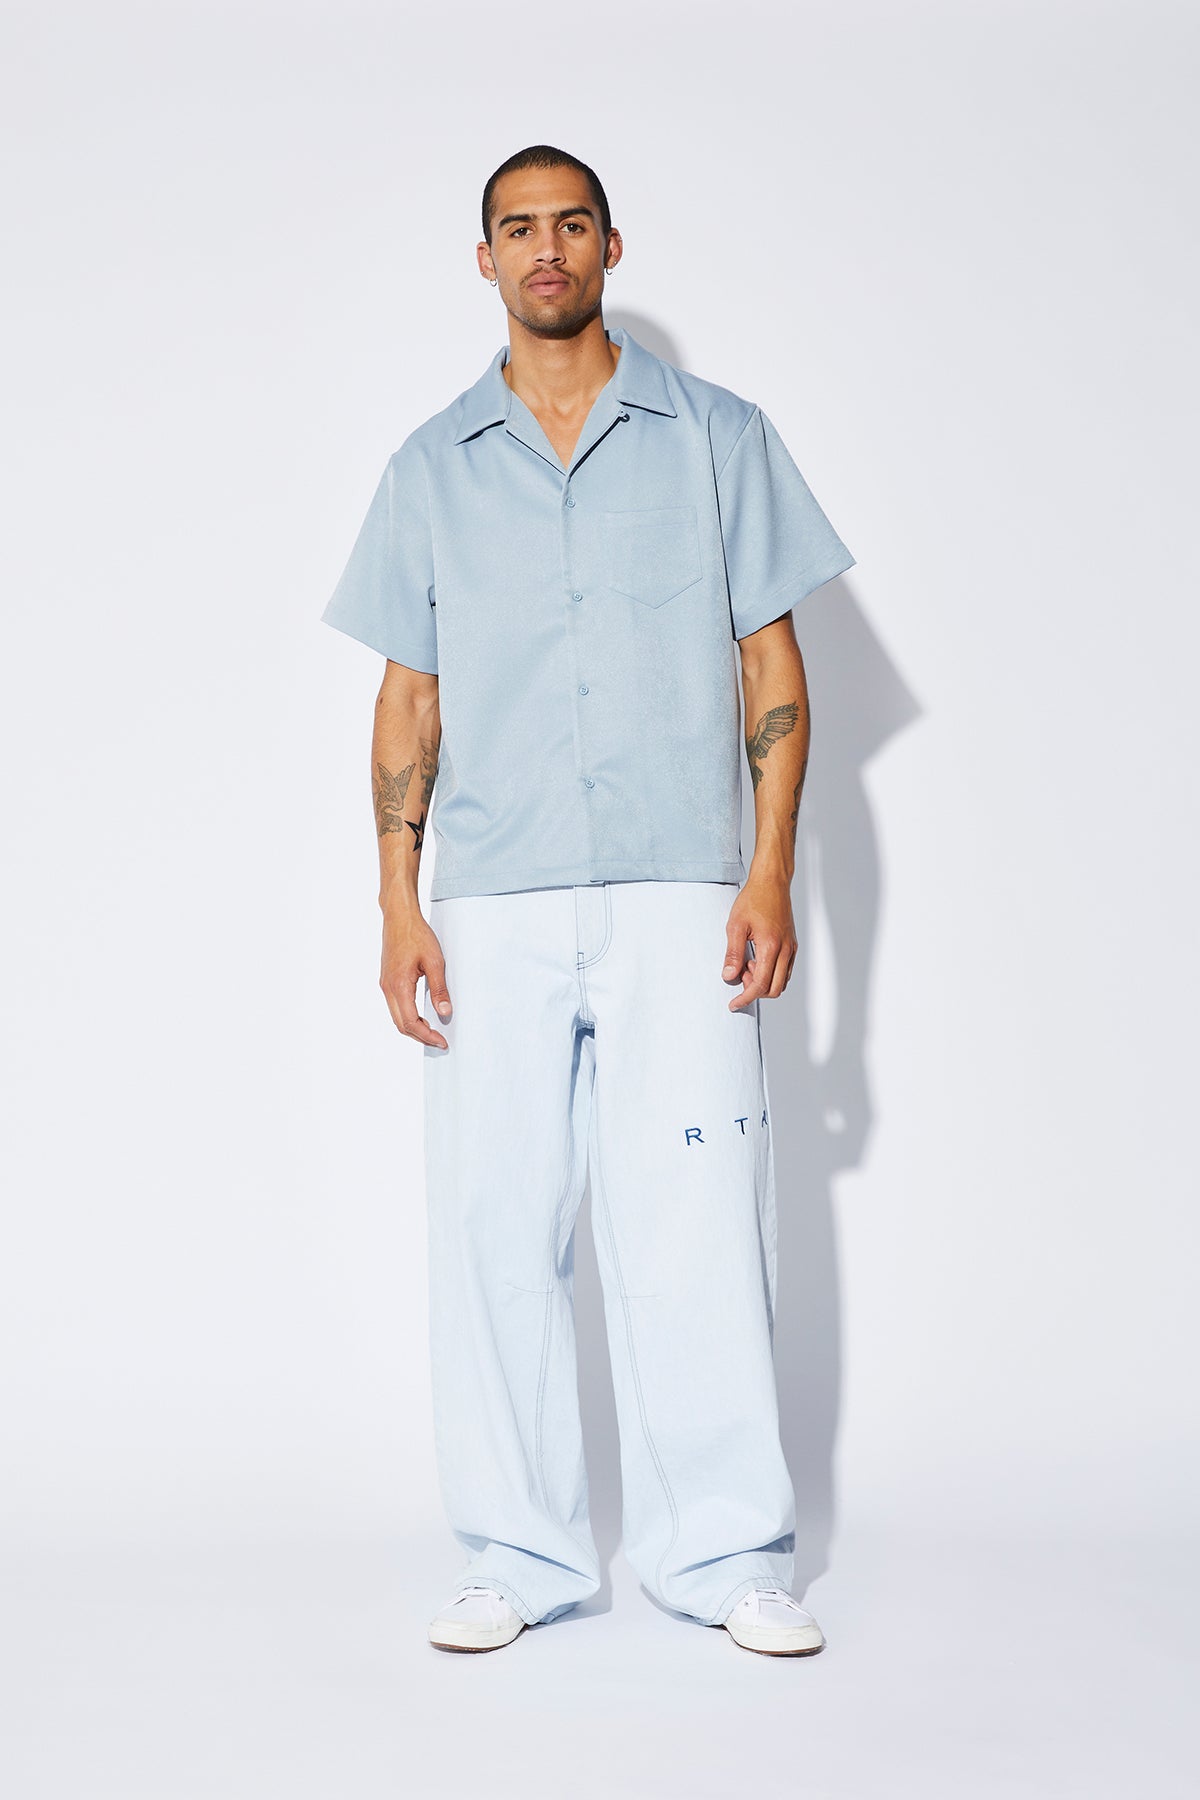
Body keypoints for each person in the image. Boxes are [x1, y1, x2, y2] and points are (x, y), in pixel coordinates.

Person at [320, 144, 856, 1657]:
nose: (544, 248)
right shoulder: (432, 466)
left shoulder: (720, 438)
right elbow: (408, 696)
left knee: (699, 1221)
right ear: (484, 258)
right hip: (493, 898)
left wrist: (769, 869)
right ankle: (520, 1551)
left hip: (684, 888)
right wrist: (397, 903)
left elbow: (771, 665)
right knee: (495, 1224)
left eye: (570, 224)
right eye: (517, 228)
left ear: (613, 246)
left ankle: (727, 1554)